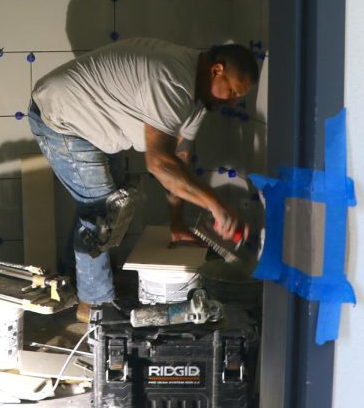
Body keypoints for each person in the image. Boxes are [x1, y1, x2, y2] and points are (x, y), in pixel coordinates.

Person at [27, 38, 257, 319]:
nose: (231, 102)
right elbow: (159, 163)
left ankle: (73, 279)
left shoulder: (199, 98)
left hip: (91, 123)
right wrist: (216, 205)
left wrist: (177, 223)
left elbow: (178, 160)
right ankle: (95, 308)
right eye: (232, 92)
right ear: (216, 70)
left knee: (100, 204)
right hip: (60, 116)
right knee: (103, 211)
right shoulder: (172, 79)